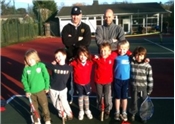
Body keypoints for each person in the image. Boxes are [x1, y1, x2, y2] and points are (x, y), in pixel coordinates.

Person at [21, 49, 51, 124]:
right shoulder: (26, 69)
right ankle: (36, 120)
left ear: (36, 58)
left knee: (44, 106)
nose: (30, 61)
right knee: (34, 108)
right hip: (31, 93)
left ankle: (47, 119)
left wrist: (47, 87)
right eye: (28, 60)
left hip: (41, 91)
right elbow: (24, 80)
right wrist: (27, 90)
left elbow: (46, 77)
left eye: (31, 59)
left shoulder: (41, 66)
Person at [45, 48, 73, 121]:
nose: (57, 58)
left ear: (64, 56)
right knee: (55, 103)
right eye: (56, 57)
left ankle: (69, 112)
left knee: (64, 102)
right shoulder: (54, 66)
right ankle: (61, 113)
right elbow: (43, 64)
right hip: (53, 89)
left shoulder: (69, 68)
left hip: (63, 89)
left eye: (59, 56)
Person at [92, 42, 117, 120]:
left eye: (105, 50)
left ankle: (107, 110)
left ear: (110, 51)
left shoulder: (112, 57)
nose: (103, 52)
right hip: (98, 81)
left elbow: (119, 50)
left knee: (107, 96)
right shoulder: (97, 59)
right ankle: (100, 109)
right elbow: (88, 57)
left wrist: (130, 53)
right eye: (101, 51)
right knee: (99, 96)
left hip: (108, 82)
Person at [129, 46, 154, 123]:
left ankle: (143, 116)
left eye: (141, 55)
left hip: (143, 88)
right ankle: (133, 113)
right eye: (137, 55)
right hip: (134, 87)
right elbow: (129, 55)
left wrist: (150, 89)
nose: (139, 57)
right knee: (134, 102)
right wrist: (132, 56)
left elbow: (150, 78)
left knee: (144, 103)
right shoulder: (132, 63)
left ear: (144, 56)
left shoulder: (147, 66)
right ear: (134, 55)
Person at [69, 46, 93, 120]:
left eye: (85, 55)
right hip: (78, 84)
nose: (83, 57)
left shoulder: (90, 62)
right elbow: (68, 63)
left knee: (86, 97)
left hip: (87, 84)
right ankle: (81, 111)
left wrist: (94, 56)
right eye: (81, 55)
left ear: (87, 55)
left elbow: (96, 58)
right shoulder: (75, 62)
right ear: (78, 55)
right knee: (80, 97)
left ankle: (87, 110)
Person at [113, 40, 131, 121]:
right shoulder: (115, 56)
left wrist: (145, 59)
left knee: (124, 97)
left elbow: (139, 59)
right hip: (117, 79)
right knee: (117, 97)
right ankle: (117, 111)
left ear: (127, 49)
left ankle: (124, 112)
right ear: (117, 48)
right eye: (120, 49)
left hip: (126, 80)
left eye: (124, 49)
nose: (122, 51)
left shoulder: (130, 57)